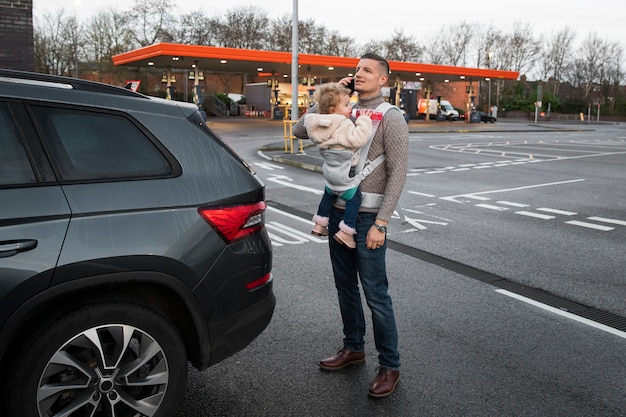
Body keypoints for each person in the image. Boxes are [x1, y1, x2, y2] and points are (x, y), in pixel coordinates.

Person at [294, 52, 409, 398]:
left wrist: (382, 223)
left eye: (367, 70)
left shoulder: (391, 117)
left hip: (369, 218)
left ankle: (390, 365)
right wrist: (326, 99)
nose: (359, 74)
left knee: (376, 294)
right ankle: (353, 348)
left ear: (383, 79)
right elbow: (301, 130)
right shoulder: (340, 108)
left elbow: (398, 172)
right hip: (339, 214)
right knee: (344, 286)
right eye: (357, 69)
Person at [305, 82, 373, 249]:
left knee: (329, 194)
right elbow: (358, 139)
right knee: (355, 198)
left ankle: (319, 225)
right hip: (344, 172)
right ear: (333, 110)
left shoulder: (317, 124)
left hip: (329, 172)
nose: (350, 107)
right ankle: (346, 231)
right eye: (346, 104)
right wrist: (364, 121)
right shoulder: (343, 124)